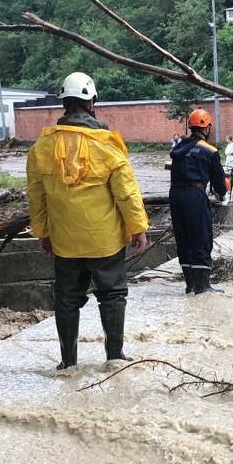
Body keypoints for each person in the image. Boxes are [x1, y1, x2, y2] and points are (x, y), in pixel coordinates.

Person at [26, 72, 150, 370]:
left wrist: (43, 232)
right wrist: (138, 228)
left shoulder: (41, 148)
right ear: (91, 102)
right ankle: (115, 358)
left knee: (67, 300)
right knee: (112, 295)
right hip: (105, 242)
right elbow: (126, 194)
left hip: (65, 243)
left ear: (64, 104)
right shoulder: (107, 145)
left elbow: (36, 197)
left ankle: (68, 363)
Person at [169, 109, 227, 295]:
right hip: (195, 194)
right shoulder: (209, 151)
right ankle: (203, 286)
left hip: (176, 195)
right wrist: (223, 191)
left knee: (183, 237)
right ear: (207, 128)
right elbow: (219, 183)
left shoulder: (177, 149)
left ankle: (190, 284)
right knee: (200, 237)